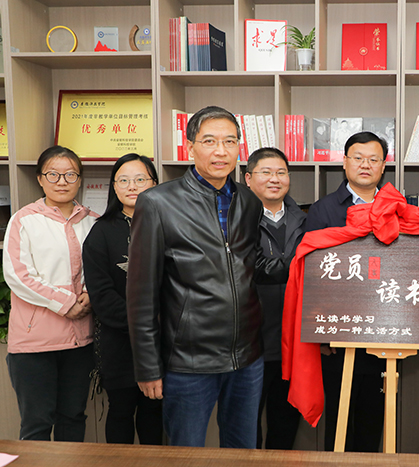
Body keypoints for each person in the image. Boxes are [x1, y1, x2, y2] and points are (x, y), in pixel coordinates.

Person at [126, 106, 287, 448]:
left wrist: (311, 259)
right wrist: (147, 366)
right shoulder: (157, 203)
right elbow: (141, 294)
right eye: (210, 141)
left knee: (243, 451)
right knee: (186, 454)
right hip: (189, 360)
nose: (221, 151)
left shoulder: (248, 201)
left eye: (230, 141)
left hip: (247, 356)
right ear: (190, 147)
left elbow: (252, 265)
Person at [3, 146, 98, 441]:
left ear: (79, 179)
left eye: (70, 174)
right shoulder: (24, 220)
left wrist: (90, 294)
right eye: (53, 174)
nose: (62, 181)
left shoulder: (93, 221)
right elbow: (18, 275)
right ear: (40, 179)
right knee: (37, 423)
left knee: (73, 417)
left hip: (79, 340)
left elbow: (101, 270)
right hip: (34, 343)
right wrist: (66, 302)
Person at [305, 131, 387, 452]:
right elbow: (311, 274)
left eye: (373, 159)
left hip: (384, 336)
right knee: (339, 424)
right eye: (358, 158)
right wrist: (321, 334)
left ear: (383, 165)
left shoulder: (397, 208)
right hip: (336, 337)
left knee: (373, 421)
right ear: (344, 162)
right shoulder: (322, 210)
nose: (365, 165)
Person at [82, 154, 162, 445]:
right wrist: (143, 324)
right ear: (113, 187)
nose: (132, 186)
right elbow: (102, 295)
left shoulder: (169, 225)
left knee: (155, 413)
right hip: (119, 342)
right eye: (124, 180)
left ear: (154, 184)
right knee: (121, 412)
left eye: (140, 179)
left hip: (163, 341)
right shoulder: (101, 232)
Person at [244, 147, 305, 450]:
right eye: (266, 172)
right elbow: (250, 268)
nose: (274, 179)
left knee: (285, 423)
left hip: (294, 341)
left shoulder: (306, 218)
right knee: (246, 423)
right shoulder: (236, 220)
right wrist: (302, 264)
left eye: (281, 172)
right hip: (250, 340)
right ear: (248, 179)